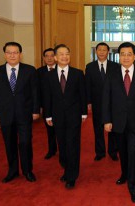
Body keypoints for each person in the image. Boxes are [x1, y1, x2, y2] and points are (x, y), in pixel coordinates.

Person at [102, 42, 135, 203]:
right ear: (118, 56)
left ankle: (134, 188)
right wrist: (107, 120)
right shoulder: (112, 74)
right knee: (123, 152)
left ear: (134, 56)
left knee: (133, 153)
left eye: (129, 54)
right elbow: (106, 99)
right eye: (122, 54)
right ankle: (124, 174)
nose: (125, 57)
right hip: (117, 122)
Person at [0, 42, 40, 183]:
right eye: (9, 52)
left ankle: (28, 170)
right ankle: (13, 171)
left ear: (20, 54)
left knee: (25, 143)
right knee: (9, 144)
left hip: (25, 114)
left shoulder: (30, 70)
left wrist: (36, 110)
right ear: (5, 54)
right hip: (5, 114)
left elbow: (35, 93)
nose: (12, 55)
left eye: (15, 52)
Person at [44, 44, 87, 189]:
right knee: (62, 145)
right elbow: (47, 97)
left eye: (67, 53)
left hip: (74, 115)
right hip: (57, 116)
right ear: (55, 57)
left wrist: (83, 112)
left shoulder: (78, 73)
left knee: (73, 145)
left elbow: (82, 94)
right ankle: (67, 168)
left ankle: (72, 175)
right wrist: (48, 115)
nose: (65, 56)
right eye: (61, 54)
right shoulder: (48, 76)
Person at [85, 42, 119, 161]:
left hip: (113, 102)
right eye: (99, 50)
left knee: (112, 128)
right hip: (97, 102)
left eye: (104, 50)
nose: (102, 52)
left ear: (108, 52)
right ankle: (100, 152)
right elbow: (87, 86)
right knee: (98, 127)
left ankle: (113, 151)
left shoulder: (115, 66)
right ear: (96, 51)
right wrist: (88, 101)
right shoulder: (90, 66)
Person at [37, 48, 57, 160]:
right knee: (50, 130)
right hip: (46, 106)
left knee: (61, 129)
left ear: (55, 57)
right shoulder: (39, 72)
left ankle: (63, 149)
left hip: (60, 106)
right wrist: (39, 106)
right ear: (44, 58)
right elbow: (37, 90)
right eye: (47, 56)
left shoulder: (61, 69)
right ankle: (52, 149)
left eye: (51, 55)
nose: (49, 58)